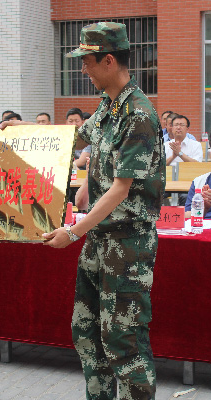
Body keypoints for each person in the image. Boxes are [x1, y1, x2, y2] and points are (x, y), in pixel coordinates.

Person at [41, 22, 165, 398]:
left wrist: (72, 231)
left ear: (109, 61)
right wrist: (15, 136)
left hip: (127, 244)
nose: (83, 69)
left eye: (88, 61)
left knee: (124, 343)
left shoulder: (138, 115)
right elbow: (76, 139)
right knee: (87, 333)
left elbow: (121, 190)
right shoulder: (109, 106)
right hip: (99, 240)